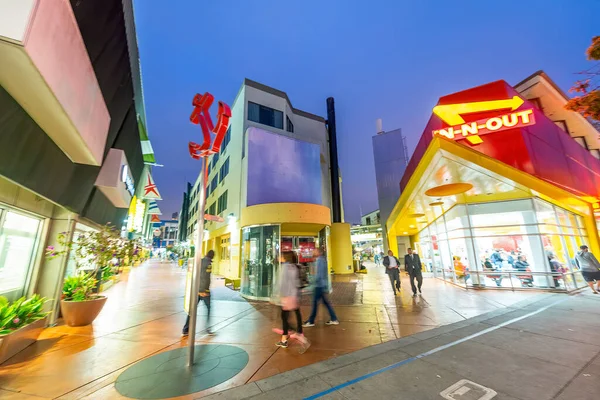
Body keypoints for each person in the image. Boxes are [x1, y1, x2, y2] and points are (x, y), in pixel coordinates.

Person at [277, 251, 307, 348]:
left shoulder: (284, 268)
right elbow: (297, 283)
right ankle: (299, 332)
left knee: (284, 318)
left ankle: (284, 340)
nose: (279, 257)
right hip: (295, 295)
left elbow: (282, 284)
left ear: (285, 257)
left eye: (281, 256)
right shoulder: (295, 267)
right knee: (296, 313)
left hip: (287, 296)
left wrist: (281, 296)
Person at [303, 248, 339, 327]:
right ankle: (334, 319)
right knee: (325, 303)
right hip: (321, 285)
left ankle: (311, 321)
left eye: (314, 251)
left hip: (318, 285)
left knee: (315, 304)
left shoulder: (319, 261)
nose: (313, 252)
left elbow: (319, 275)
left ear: (319, 252)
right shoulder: (322, 260)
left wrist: (311, 282)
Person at [183, 250, 214, 336]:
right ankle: (208, 328)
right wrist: (204, 291)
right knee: (208, 308)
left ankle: (186, 329)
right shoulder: (208, 264)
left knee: (192, 310)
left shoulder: (199, 261)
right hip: (203, 291)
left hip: (195, 289)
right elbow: (206, 278)